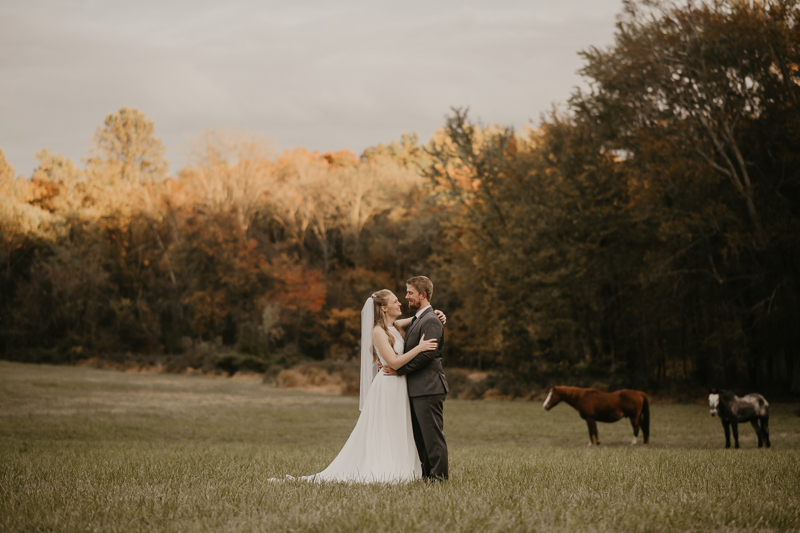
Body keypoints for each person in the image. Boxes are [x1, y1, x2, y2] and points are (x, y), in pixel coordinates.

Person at [285, 289, 445, 483]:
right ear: (384, 308)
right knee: (388, 427)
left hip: (399, 385)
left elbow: (418, 319)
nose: (400, 303)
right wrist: (419, 348)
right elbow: (393, 363)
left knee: (398, 428)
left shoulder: (393, 325)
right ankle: (388, 468)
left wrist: (436, 313)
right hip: (388, 384)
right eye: (396, 301)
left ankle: (402, 466)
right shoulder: (378, 331)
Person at [383, 276, 449, 481]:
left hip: (429, 386)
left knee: (432, 436)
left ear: (423, 295)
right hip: (417, 388)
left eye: (410, 293)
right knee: (420, 438)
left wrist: (399, 370)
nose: (406, 297)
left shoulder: (431, 320)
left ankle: (439, 478)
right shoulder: (419, 319)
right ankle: (427, 475)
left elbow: (427, 354)